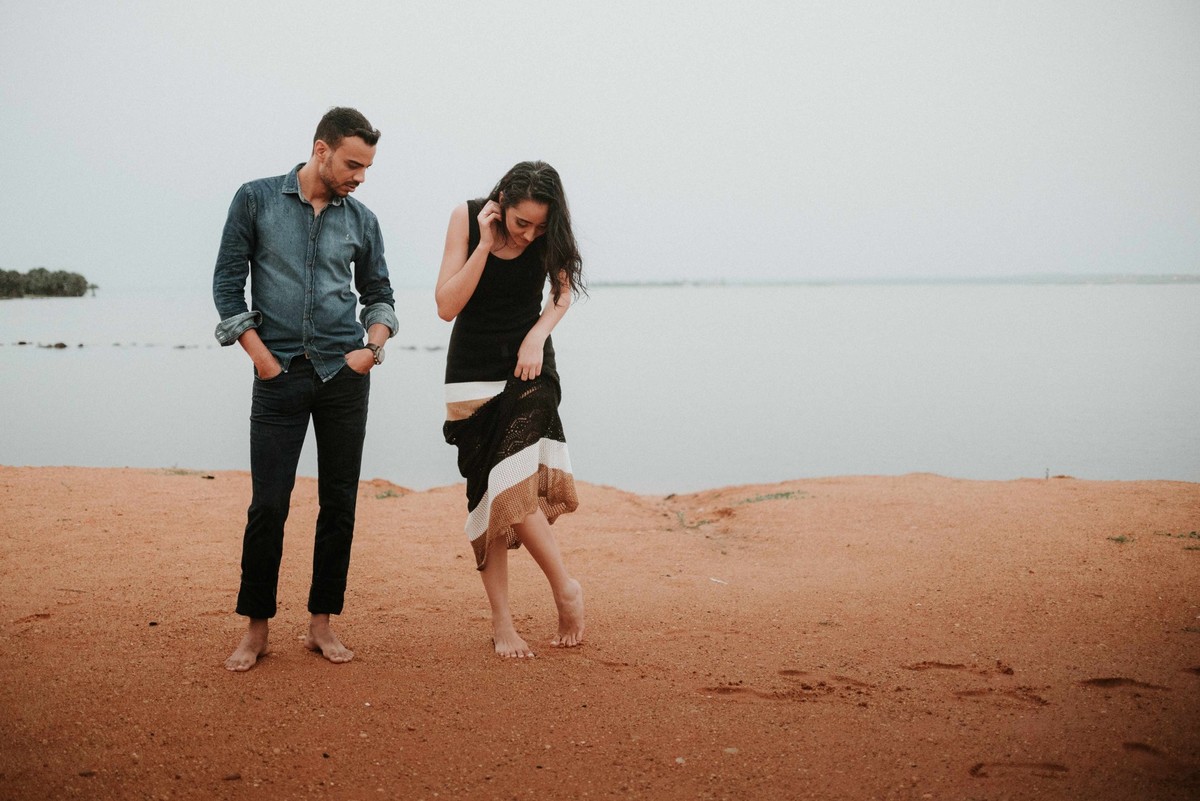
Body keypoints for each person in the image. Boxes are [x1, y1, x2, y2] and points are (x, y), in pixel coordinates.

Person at [213, 107, 398, 672]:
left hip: (345, 375)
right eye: (351, 163)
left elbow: (380, 291)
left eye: (367, 167)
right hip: (280, 373)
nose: (359, 176)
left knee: (338, 504)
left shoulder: (362, 219)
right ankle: (256, 628)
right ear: (321, 150)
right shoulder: (256, 199)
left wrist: (374, 347)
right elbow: (226, 283)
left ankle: (322, 623)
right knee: (268, 504)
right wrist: (262, 360)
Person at [436, 161, 586, 658]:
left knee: (507, 482)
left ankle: (564, 586)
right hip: (470, 374)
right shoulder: (468, 215)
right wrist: (483, 244)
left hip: (529, 370)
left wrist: (536, 338)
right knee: (488, 497)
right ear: (501, 201)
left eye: (540, 227)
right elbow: (446, 305)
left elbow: (561, 295)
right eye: (521, 222)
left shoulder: (549, 234)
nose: (528, 235)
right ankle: (502, 621)